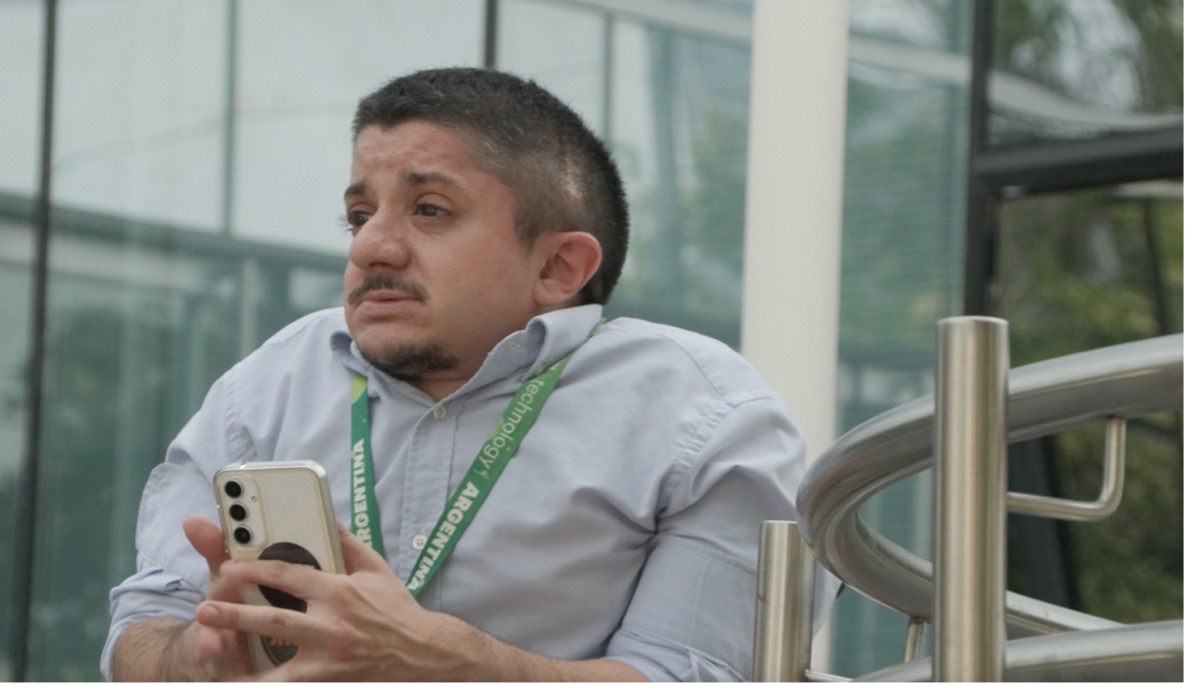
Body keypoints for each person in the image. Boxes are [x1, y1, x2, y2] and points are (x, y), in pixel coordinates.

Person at [102, 67, 835, 681]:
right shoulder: (267, 383)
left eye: (428, 209)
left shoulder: (707, 416)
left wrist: (444, 660)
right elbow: (141, 626)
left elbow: (693, 675)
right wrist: (203, 653)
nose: (373, 247)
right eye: (358, 215)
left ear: (558, 267)